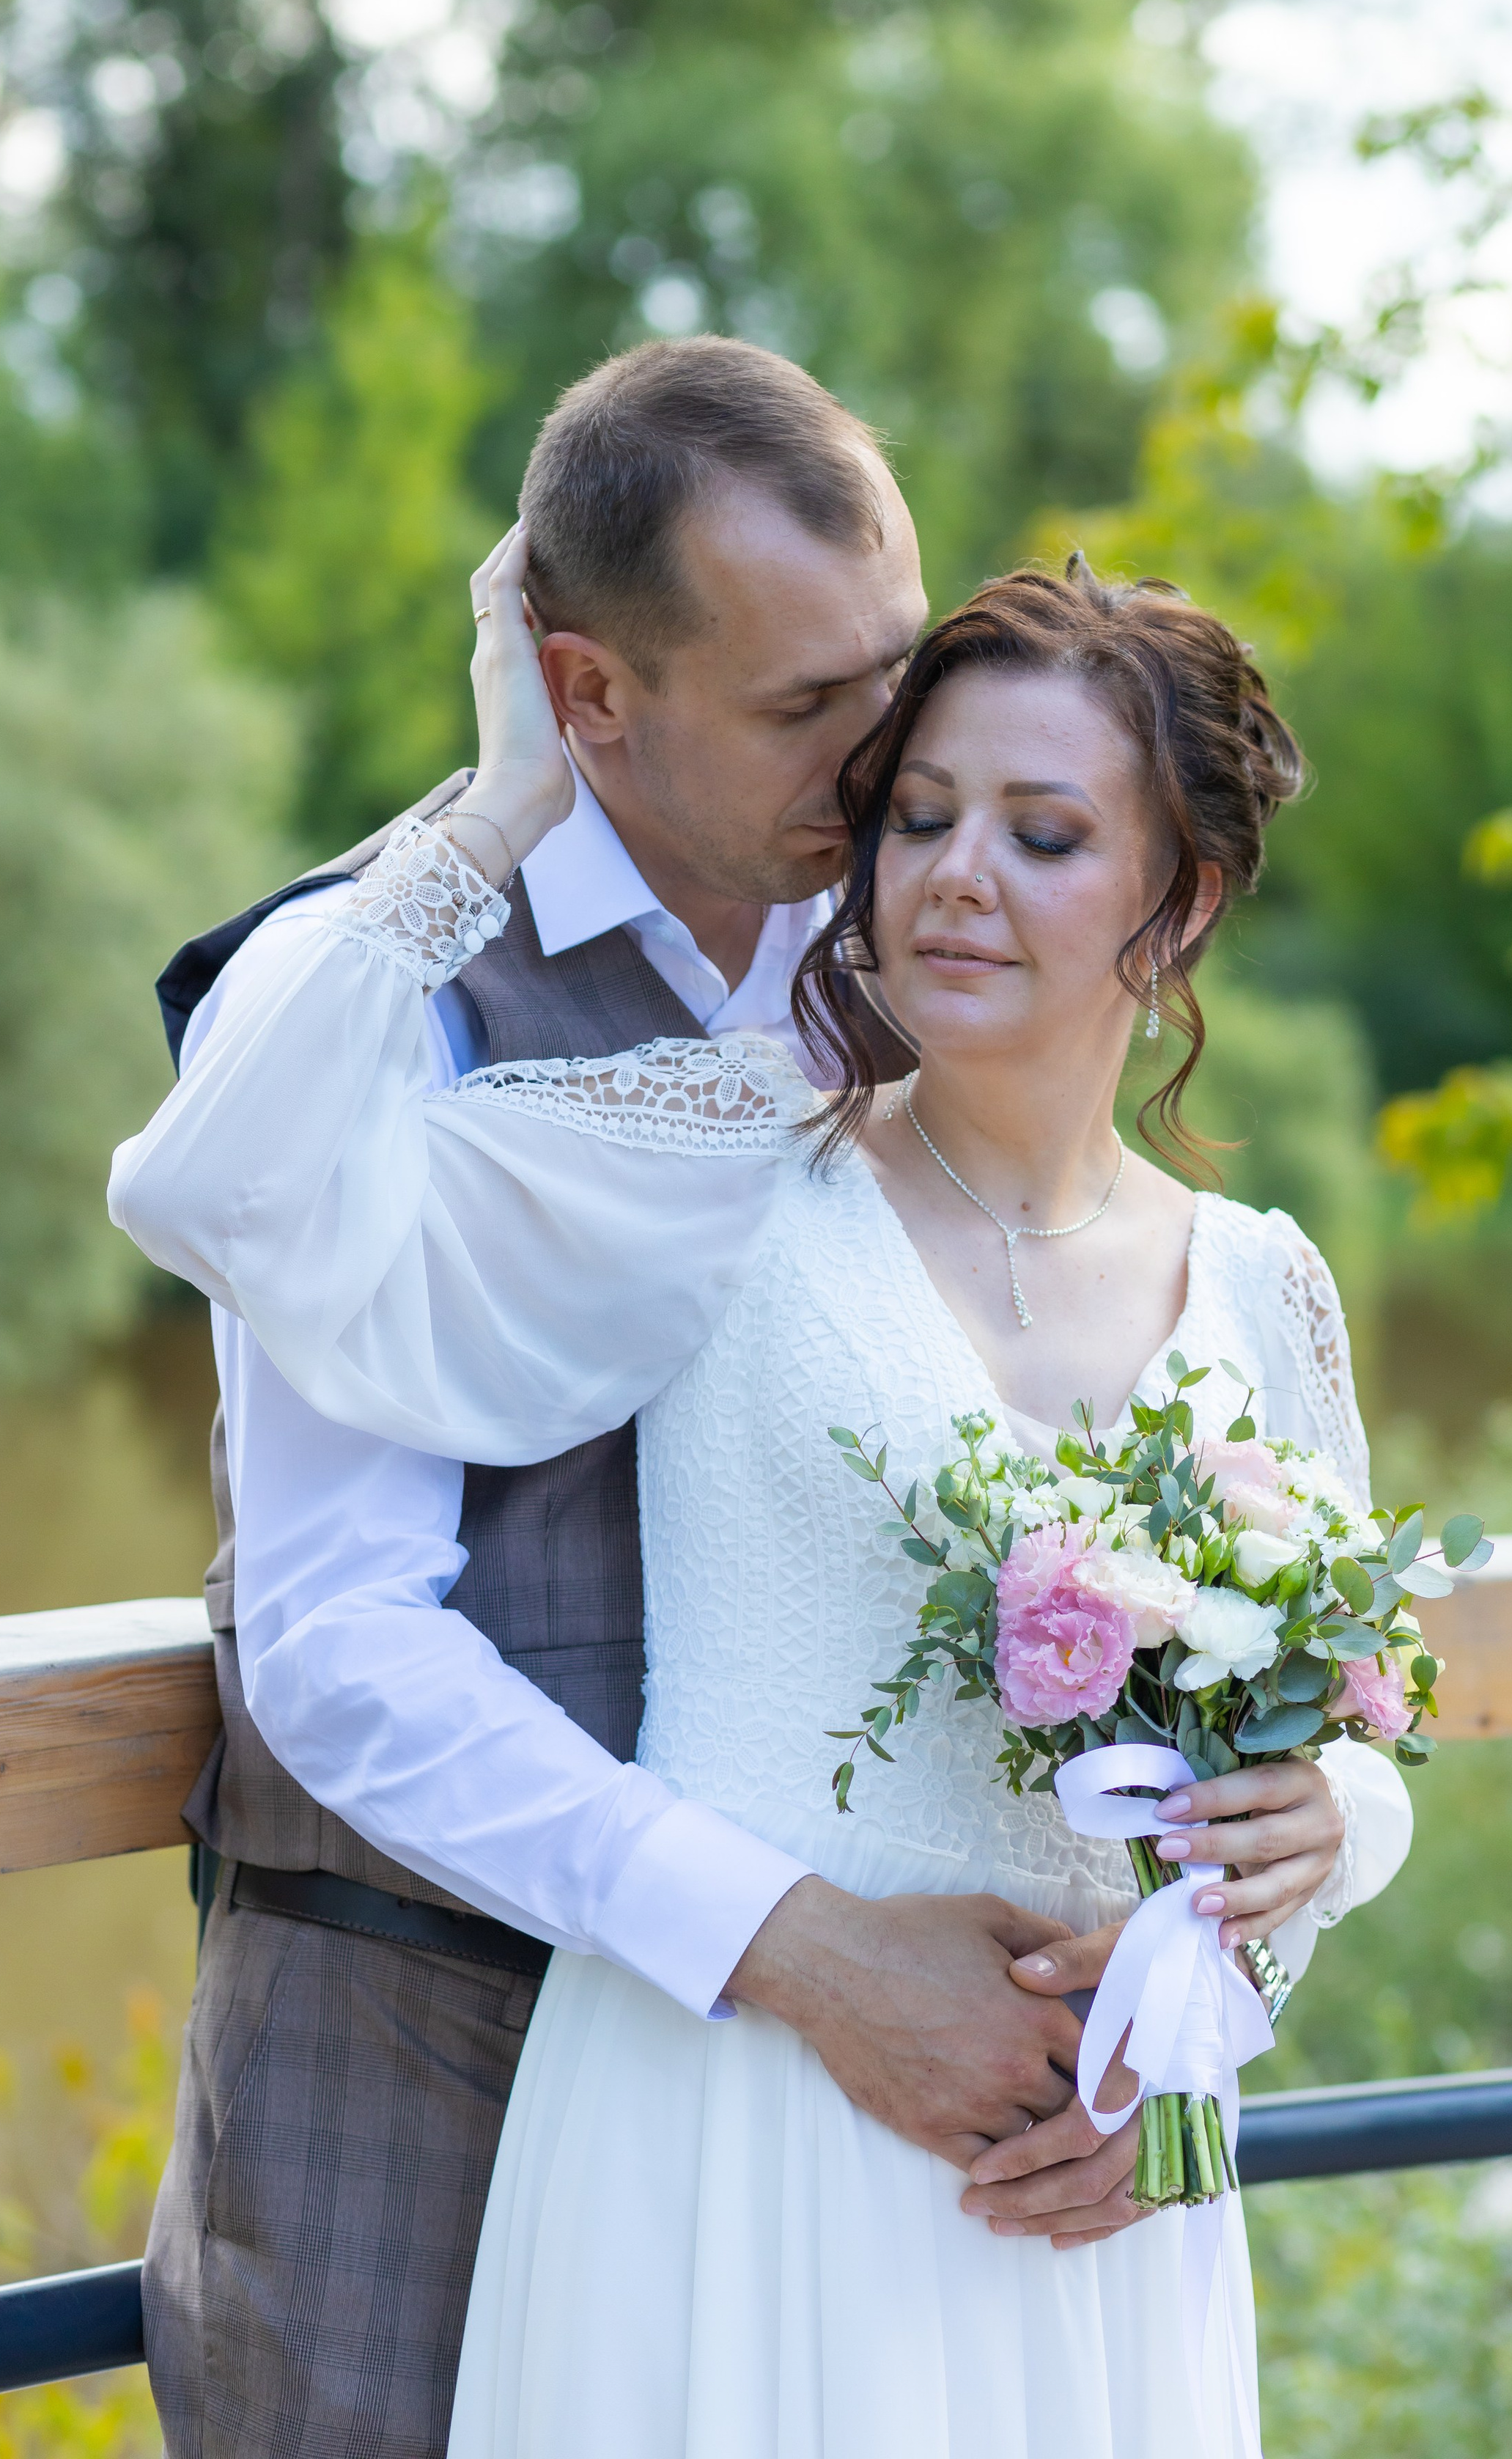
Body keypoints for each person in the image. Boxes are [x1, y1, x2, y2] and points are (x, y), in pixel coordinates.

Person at [113, 540, 1413, 2455]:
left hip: (1094, 2187)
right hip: (738, 2118)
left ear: (1180, 898)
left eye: (1045, 835)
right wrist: (498, 807)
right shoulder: (716, 1161)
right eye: (923, 816)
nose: (957, 873)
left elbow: (1356, 1733)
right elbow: (225, 1183)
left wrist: (1283, 1931)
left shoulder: (1267, 1283)